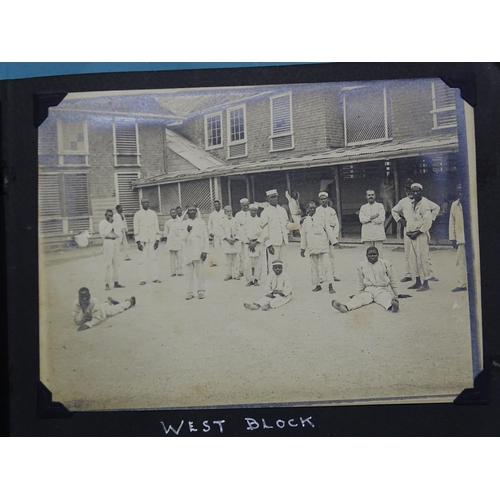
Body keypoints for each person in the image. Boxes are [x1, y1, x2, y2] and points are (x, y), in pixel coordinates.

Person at [332, 247, 410, 313]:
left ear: (378, 255)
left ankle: (393, 307)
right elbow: (360, 281)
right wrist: (359, 294)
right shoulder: (361, 265)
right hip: (368, 290)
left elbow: (393, 279)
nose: (372, 256)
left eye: (374, 254)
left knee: (386, 299)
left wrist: (398, 293)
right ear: (366, 255)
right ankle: (345, 307)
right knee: (359, 299)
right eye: (370, 254)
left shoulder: (385, 263)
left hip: (382, 289)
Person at [392, 179, 440, 283]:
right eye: (407, 189)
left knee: (423, 255)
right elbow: (394, 210)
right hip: (409, 230)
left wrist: (431, 220)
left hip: (420, 230)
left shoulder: (424, 201)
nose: (410, 191)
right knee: (409, 254)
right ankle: (410, 275)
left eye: (412, 189)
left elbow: (436, 208)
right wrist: (400, 220)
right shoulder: (404, 202)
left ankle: (428, 275)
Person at [300, 201, 336, 294]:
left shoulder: (321, 217)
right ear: (307, 209)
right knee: (314, 267)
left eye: (313, 208)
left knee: (327, 266)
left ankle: (330, 285)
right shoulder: (305, 221)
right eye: (310, 208)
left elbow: (328, 229)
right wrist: (302, 248)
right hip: (312, 246)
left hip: (323, 245)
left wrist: (334, 241)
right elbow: (303, 235)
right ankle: (317, 285)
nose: (312, 209)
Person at [404, 183, 434, 292]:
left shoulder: (424, 204)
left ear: (422, 192)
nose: (415, 193)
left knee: (422, 258)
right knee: (413, 258)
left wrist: (417, 232)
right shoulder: (412, 204)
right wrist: (409, 232)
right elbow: (411, 220)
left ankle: (425, 283)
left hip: (420, 235)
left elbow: (427, 222)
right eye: (413, 191)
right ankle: (417, 281)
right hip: (411, 235)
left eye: (418, 191)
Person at [179, 204, 209, 299]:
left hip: (199, 251)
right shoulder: (183, 224)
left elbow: (205, 238)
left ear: (196, 212)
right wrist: (187, 231)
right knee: (188, 273)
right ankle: (189, 292)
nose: (192, 212)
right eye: (190, 210)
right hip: (188, 251)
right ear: (187, 212)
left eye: (194, 210)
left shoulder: (201, 223)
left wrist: (205, 251)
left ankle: (201, 291)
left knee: (200, 272)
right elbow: (181, 238)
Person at [259, 189, 290, 272]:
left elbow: (286, 224)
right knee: (273, 264)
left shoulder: (282, 210)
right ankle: (272, 283)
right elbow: (264, 230)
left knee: (284, 264)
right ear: (267, 199)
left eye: (276, 197)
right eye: (272, 197)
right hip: (273, 243)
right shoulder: (265, 212)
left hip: (283, 241)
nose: (274, 199)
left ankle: (283, 283)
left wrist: (287, 233)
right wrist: (268, 244)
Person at [133, 198, 161, 285]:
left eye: (147, 202)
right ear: (141, 203)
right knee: (142, 260)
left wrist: (157, 239)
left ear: (149, 203)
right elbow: (136, 228)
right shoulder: (137, 214)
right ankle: (142, 279)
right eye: (144, 202)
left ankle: (155, 278)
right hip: (142, 240)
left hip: (152, 239)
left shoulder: (153, 213)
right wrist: (138, 241)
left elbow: (156, 226)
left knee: (154, 259)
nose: (146, 204)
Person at [316, 191, 341, 281]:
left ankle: (332, 275)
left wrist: (334, 237)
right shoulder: (317, 211)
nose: (323, 201)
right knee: (321, 257)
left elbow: (336, 224)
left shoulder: (332, 210)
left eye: (325, 199)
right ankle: (321, 276)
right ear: (319, 200)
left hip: (331, 236)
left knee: (332, 256)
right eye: (322, 199)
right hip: (322, 235)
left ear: (327, 199)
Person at [99, 209, 125, 291]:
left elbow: (119, 233)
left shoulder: (115, 222)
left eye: (111, 215)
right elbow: (103, 234)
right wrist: (110, 226)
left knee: (116, 263)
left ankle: (116, 282)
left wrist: (113, 230)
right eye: (108, 215)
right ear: (105, 215)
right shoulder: (102, 223)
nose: (110, 217)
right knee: (107, 263)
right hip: (107, 242)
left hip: (115, 242)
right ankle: (107, 283)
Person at [449, 184, 467, 292]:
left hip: (473, 239)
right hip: (461, 238)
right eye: (458, 191)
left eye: (462, 191)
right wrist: (452, 237)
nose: (460, 193)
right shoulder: (454, 205)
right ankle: (462, 284)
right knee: (460, 262)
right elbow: (452, 222)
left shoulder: (473, 202)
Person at [359, 189, 386, 257]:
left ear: (375, 196)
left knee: (379, 254)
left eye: (372, 195)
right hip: (367, 233)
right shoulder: (363, 207)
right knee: (368, 254)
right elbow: (362, 219)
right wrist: (372, 217)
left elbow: (381, 219)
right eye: (369, 195)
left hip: (378, 232)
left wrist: (367, 219)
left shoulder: (380, 206)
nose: (371, 196)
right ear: (366, 196)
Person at [242, 203, 264, 286]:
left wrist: (256, 242)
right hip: (248, 243)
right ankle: (249, 280)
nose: (253, 212)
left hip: (257, 243)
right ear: (249, 210)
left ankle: (256, 279)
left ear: (257, 211)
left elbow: (263, 233)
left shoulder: (260, 220)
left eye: (255, 210)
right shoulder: (245, 221)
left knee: (258, 262)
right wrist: (248, 243)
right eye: (252, 210)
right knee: (248, 263)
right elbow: (242, 232)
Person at [221, 205, 241, 281]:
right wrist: (227, 239)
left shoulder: (236, 220)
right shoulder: (222, 221)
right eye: (227, 211)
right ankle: (228, 274)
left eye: (230, 211)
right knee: (228, 259)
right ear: (225, 212)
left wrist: (235, 239)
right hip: (227, 242)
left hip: (235, 241)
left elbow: (239, 230)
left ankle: (236, 274)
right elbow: (221, 231)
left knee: (236, 259)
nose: (229, 213)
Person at [163, 207, 183, 277]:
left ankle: (180, 271)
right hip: (171, 241)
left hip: (178, 241)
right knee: (172, 258)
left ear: (177, 213)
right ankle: (173, 272)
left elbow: (182, 231)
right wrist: (166, 238)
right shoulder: (168, 222)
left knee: (179, 257)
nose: (173, 214)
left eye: (174, 212)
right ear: (170, 214)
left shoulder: (180, 221)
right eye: (172, 213)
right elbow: (166, 232)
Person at [234, 198, 250, 276]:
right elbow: (236, 226)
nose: (246, 207)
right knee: (241, 254)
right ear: (241, 205)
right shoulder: (238, 214)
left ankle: (249, 270)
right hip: (241, 235)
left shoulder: (251, 213)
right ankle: (241, 270)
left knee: (249, 254)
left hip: (249, 235)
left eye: (247, 205)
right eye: (244, 205)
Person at [208, 199, 225, 267]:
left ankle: (225, 262)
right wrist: (210, 232)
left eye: (218, 204)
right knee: (216, 248)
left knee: (224, 247)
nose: (217, 206)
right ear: (214, 206)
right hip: (216, 233)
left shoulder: (224, 212)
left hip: (223, 233)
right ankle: (215, 262)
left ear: (220, 205)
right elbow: (209, 224)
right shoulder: (212, 214)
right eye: (215, 205)